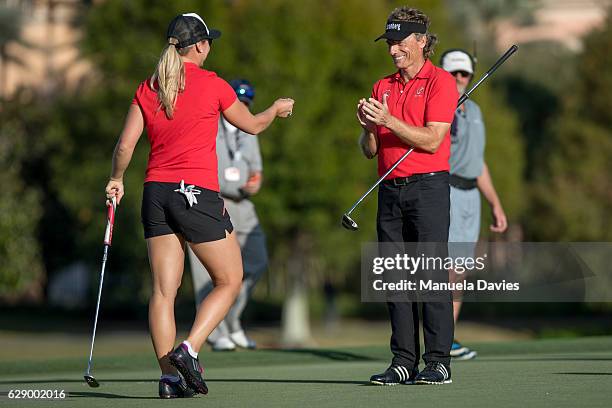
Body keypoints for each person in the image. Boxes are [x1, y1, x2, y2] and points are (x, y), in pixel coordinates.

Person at [104, 13, 293, 398]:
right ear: (202, 45)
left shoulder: (151, 85)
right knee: (230, 279)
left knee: (163, 291)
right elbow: (253, 125)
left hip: (155, 193)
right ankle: (189, 350)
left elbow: (125, 146)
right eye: (210, 42)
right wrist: (275, 109)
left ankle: (169, 378)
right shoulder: (214, 84)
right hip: (194, 192)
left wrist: (116, 179)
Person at [358, 6, 458, 385]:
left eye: (399, 43)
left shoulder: (441, 82)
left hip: (428, 187)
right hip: (389, 189)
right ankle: (403, 360)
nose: (392, 50)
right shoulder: (381, 85)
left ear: (421, 41)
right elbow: (370, 150)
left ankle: (438, 361)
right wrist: (369, 128)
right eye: (389, 43)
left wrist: (388, 121)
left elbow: (433, 140)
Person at [187, 79, 267, 352]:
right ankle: (214, 332)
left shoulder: (249, 131)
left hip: (243, 203)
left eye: (246, 103)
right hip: (213, 201)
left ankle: (231, 319)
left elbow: (257, 169)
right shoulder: (210, 125)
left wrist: (256, 181)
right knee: (206, 274)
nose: (242, 107)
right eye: (238, 102)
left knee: (257, 261)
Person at [440, 49, 508, 360]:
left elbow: (478, 163)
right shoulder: (440, 106)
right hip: (447, 191)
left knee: (461, 270)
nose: (458, 79)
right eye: (452, 73)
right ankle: (438, 338)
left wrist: (495, 203)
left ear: (470, 76)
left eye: (463, 74)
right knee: (447, 270)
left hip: (471, 198)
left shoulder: (476, 110)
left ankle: (447, 337)